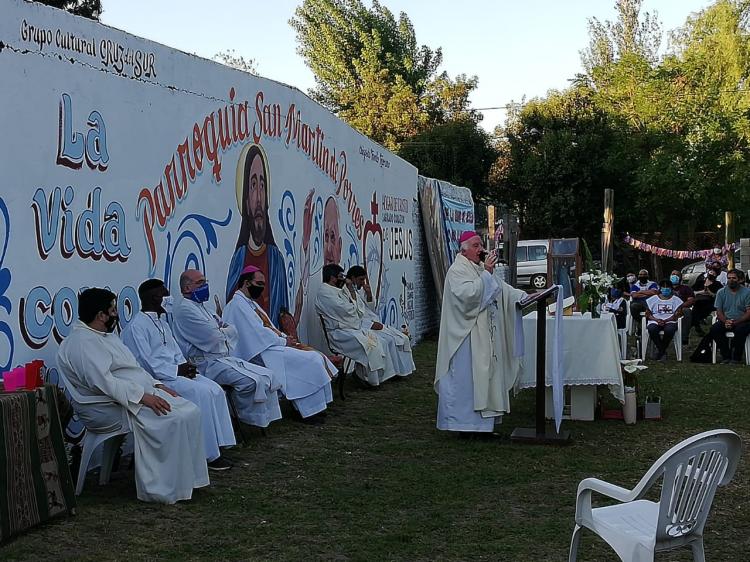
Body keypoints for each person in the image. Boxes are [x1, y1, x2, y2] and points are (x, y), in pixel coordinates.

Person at [57, 288, 209, 504]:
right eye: (112, 310)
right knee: (172, 419)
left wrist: (157, 385)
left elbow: (133, 368)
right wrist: (143, 397)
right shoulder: (82, 342)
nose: (116, 314)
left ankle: (187, 481)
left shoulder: (105, 336)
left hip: (134, 394)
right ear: (101, 315)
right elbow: (104, 383)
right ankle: (163, 488)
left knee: (190, 411)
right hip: (108, 407)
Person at [122, 279, 236, 470]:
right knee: (202, 393)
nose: (170, 298)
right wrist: (176, 370)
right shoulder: (137, 326)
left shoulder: (163, 324)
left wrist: (185, 366)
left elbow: (175, 352)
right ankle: (208, 456)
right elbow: (144, 361)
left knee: (215, 390)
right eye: (166, 294)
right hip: (160, 380)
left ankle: (219, 444)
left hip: (177, 374)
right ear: (155, 297)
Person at [434, 231, 527, 433]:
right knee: (468, 382)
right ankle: (464, 425)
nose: (481, 250)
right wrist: (486, 273)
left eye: (481, 245)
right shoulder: (457, 270)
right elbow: (467, 297)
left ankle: (483, 426)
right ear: (464, 250)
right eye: (476, 246)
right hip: (466, 338)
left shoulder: (477, 268)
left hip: (484, 336)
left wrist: (523, 296)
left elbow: (502, 289)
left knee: (486, 377)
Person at [172, 269, 283, 428]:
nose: (205, 286)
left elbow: (229, 329)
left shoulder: (204, 308)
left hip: (221, 357)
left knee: (267, 375)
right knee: (251, 381)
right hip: (205, 363)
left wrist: (222, 331)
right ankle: (241, 417)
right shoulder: (185, 309)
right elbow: (214, 338)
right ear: (186, 288)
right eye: (200, 283)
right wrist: (223, 331)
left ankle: (262, 417)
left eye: (205, 282)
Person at [223, 266, 334, 420]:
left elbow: (269, 327)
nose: (262, 288)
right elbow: (257, 334)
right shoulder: (237, 305)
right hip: (260, 352)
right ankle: (308, 410)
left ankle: (316, 407)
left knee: (314, 356)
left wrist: (285, 337)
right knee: (310, 360)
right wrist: (283, 340)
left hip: (270, 346)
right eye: (259, 283)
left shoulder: (250, 303)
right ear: (247, 283)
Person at [226, 143, 314, 327]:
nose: (258, 197)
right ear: (245, 197)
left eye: (262, 185)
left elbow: (282, 314)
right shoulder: (238, 259)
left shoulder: (275, 259)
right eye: (252, 185)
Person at [315, 264, 412, 386]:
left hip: (352, 327)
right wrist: (354, 304)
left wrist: (359, 297)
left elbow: (360, 310)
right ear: (332, 277)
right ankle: (367, 378)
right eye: (340, 276)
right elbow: (348, 311)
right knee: (372, 345)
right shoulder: (325, 293)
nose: (343, 279)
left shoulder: (339, 290)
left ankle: (370, 377)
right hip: (339, 332)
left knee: (378, 341)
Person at [345, 265, 415, 375]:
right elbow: (351, 316)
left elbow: (369, 309)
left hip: (372, 323)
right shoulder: (346, 293)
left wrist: (368, 294)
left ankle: (401, 370)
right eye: (360, 279)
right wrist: (369, 325)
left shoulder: (356, 292)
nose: (363, 283)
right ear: (353, 278)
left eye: (364, 279)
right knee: (388, 341)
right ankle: (383, 374)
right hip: (363, 327)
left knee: (401, 338)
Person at [710, 269, 750, 364]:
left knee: (740, 330)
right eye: (729, 278)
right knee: (715, 329)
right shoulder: (721, 292)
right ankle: (726, 356)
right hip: (726, 320)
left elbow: (749, 313)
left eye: (734, 278)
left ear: (740, 280)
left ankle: (736, 358)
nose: (731, 280)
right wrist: (726, 321)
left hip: (743, 321)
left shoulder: (747, 292)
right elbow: (719, 312)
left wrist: (735, 322)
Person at [644, 280, 683, 361]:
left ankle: (660, 352)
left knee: (669, 330)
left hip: (670, 321)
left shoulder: (676, 300)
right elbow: (648, 314)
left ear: (671, 289)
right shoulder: (652, 299)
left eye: (667, 287)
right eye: (663, 287)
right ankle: (662, 351)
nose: (665, 289)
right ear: (660, 288)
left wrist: (666, 320)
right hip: (655, 320)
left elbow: (677, 314)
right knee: (652, 329)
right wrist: (657, 320)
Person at [691, 263, 723, 335]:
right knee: (697, 306)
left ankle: (696, 323)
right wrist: (701, 292)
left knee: (703, 306)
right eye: (710, 272)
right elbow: (692, 291)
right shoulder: (700, 282)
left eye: (714, 274)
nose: (711, 274)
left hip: (710, 302)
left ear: (716, 275)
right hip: (698, 301)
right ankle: (697, 325)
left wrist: (709, 292)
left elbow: (718, 296)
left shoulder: (717, 284)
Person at [670, 269, 695, 344]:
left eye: (677, 275)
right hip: (667, 308)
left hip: (681, 309)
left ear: (680, 278)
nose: (674, 276)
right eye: (672, 274)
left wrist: (680, 306)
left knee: (687, 311)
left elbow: (691, 300)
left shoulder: (686, 288)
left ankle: (684, 337)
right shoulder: (665, 288)